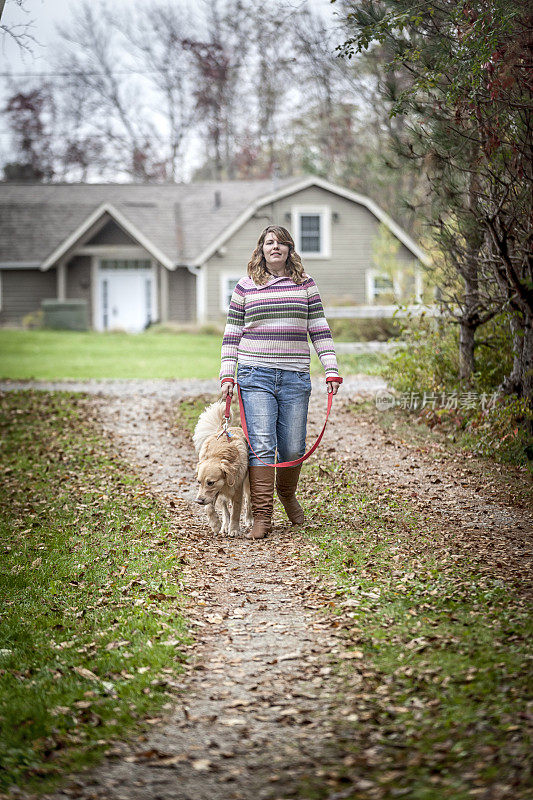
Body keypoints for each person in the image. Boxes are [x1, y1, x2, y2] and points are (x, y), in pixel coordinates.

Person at [219, 225, 342, 539]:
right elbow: (231, 335)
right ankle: (262, 516)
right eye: (268, 242)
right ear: (261, 249)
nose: (275, 247)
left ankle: (287, 494)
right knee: (261, 444)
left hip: (295, 376)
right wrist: (227, 374)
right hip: (254, 374)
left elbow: (319, 328)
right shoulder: (245, 287)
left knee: (291, 447)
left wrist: (331, 368)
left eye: (280, 243)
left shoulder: (306, 285)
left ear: (289, 249)